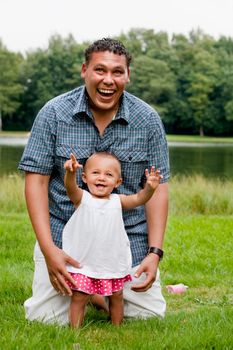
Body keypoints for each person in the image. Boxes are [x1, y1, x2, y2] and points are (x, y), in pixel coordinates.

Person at [18, 37, 170, 325]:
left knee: (147, 318)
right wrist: (50, 251)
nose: (108, 80)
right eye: (100, 70)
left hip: (128, 243)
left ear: (128, 75)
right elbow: (36, 182)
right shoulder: (53, 113)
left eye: (117, 72)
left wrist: (154, 253)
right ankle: (92, 293)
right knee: (46, 320)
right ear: (84, 70)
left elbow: (157, 188)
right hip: (66, 242)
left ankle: (97, 294)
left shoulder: (148, 119)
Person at [63, 151, 162, 327]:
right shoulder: (82, 198)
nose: (101, 178)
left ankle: (116, 327)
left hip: (112, 261)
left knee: (116, 296)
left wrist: (150, 188)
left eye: (108, 175)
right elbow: (70, 187)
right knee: (79, 296)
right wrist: (70, 173)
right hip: (84, 261)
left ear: (118, 182)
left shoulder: (118, 200)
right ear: (84, 177)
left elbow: (139, 198)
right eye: (96, 173)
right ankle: (74, 331)